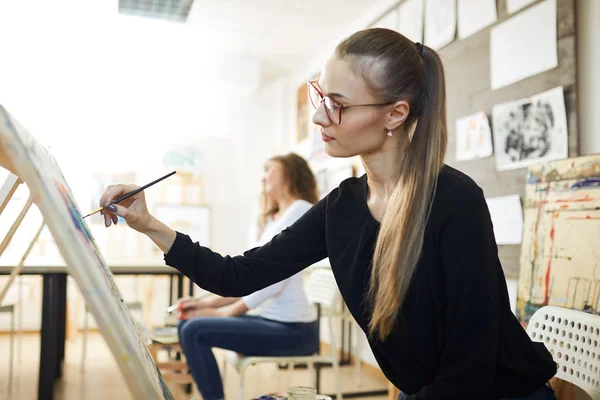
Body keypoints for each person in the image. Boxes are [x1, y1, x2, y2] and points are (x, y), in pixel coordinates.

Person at [100, 28, 557, 399]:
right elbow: (238, 275)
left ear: (395, 114)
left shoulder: (456, 202)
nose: (320, 118)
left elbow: (467, 376)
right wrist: (148, 223)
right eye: (321, 96)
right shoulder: (341, 208)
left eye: (336, 104)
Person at [167, 153, 322, 400]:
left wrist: (222, 314)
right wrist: (205, 304)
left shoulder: (300, 210)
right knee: (188, 324)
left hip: (294, 331)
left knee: (193, 330)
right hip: (270, 322)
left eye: (270, 169)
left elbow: (271, 284)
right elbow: (248, 277)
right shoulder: (275, 219)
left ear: (290, 173)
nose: (264, 176)